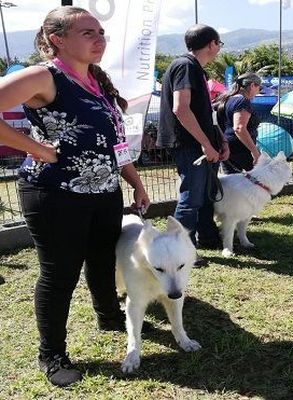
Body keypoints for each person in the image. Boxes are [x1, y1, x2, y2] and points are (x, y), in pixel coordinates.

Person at [0, 6, 150, 387]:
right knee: (59, 273)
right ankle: (51, 354)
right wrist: (35, 148)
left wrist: (134, 180)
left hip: (104, 192)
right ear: (58, 39)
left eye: (101, 32)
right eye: (88, 33)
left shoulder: (97, 84)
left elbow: (115, 144)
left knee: (101, 260)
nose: (99, 38)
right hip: (54, 193)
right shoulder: (43, 77)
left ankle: (109, 316)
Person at [157, 24, 228, 250]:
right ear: (211, 44)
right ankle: (179, 250)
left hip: (201, 143)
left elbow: (205, 113)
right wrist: (206, 144)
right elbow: (181, 109)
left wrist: (219, 140)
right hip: (190, 144)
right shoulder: (185, 66)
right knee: (191, 199)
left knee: (205, 196)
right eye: (219, 44)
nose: (219, 49)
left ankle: (207, 237)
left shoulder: (195, 67)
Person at [215, 72, 262, 173]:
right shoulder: (242, 101)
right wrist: (254, 151)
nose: (258, 92)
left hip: (226, 147)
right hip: (242, 150)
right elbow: (239, 128)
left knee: (232, 184)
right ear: (252, 85)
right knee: (256, 184)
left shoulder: (225, 99)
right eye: (259, 88)